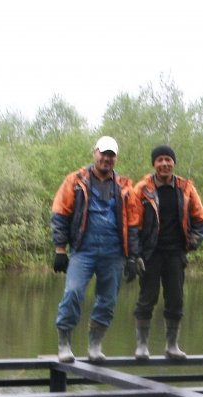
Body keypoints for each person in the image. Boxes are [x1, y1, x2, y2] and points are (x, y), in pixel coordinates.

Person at [51, 135, 141, 363]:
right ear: (95, 153)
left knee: (108, 300)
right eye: (103, 153)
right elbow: (60, 214)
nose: (106, 159)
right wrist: (60, 250)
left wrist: (132, 256)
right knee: (72, 293)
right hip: (83, 249)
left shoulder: (125, 187)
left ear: (116, 158)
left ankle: (95, 345)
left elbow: (132, 223)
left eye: (111, 155)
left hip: (114, 252)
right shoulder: (75, 180)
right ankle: (64, 344)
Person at [130, 145, 203, 360]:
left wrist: (193, 242)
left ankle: (172, 346)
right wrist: (134, 254)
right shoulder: (142, 189)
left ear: (174, 163)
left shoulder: (185, 188)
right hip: (150, 253)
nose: (164, 163)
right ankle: (142, 346)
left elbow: (201, 221)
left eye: (168, 159)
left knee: (176, 299)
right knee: (147, 299)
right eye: (160, 160)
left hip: (175, 253)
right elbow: (133, 224)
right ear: (154, 164)